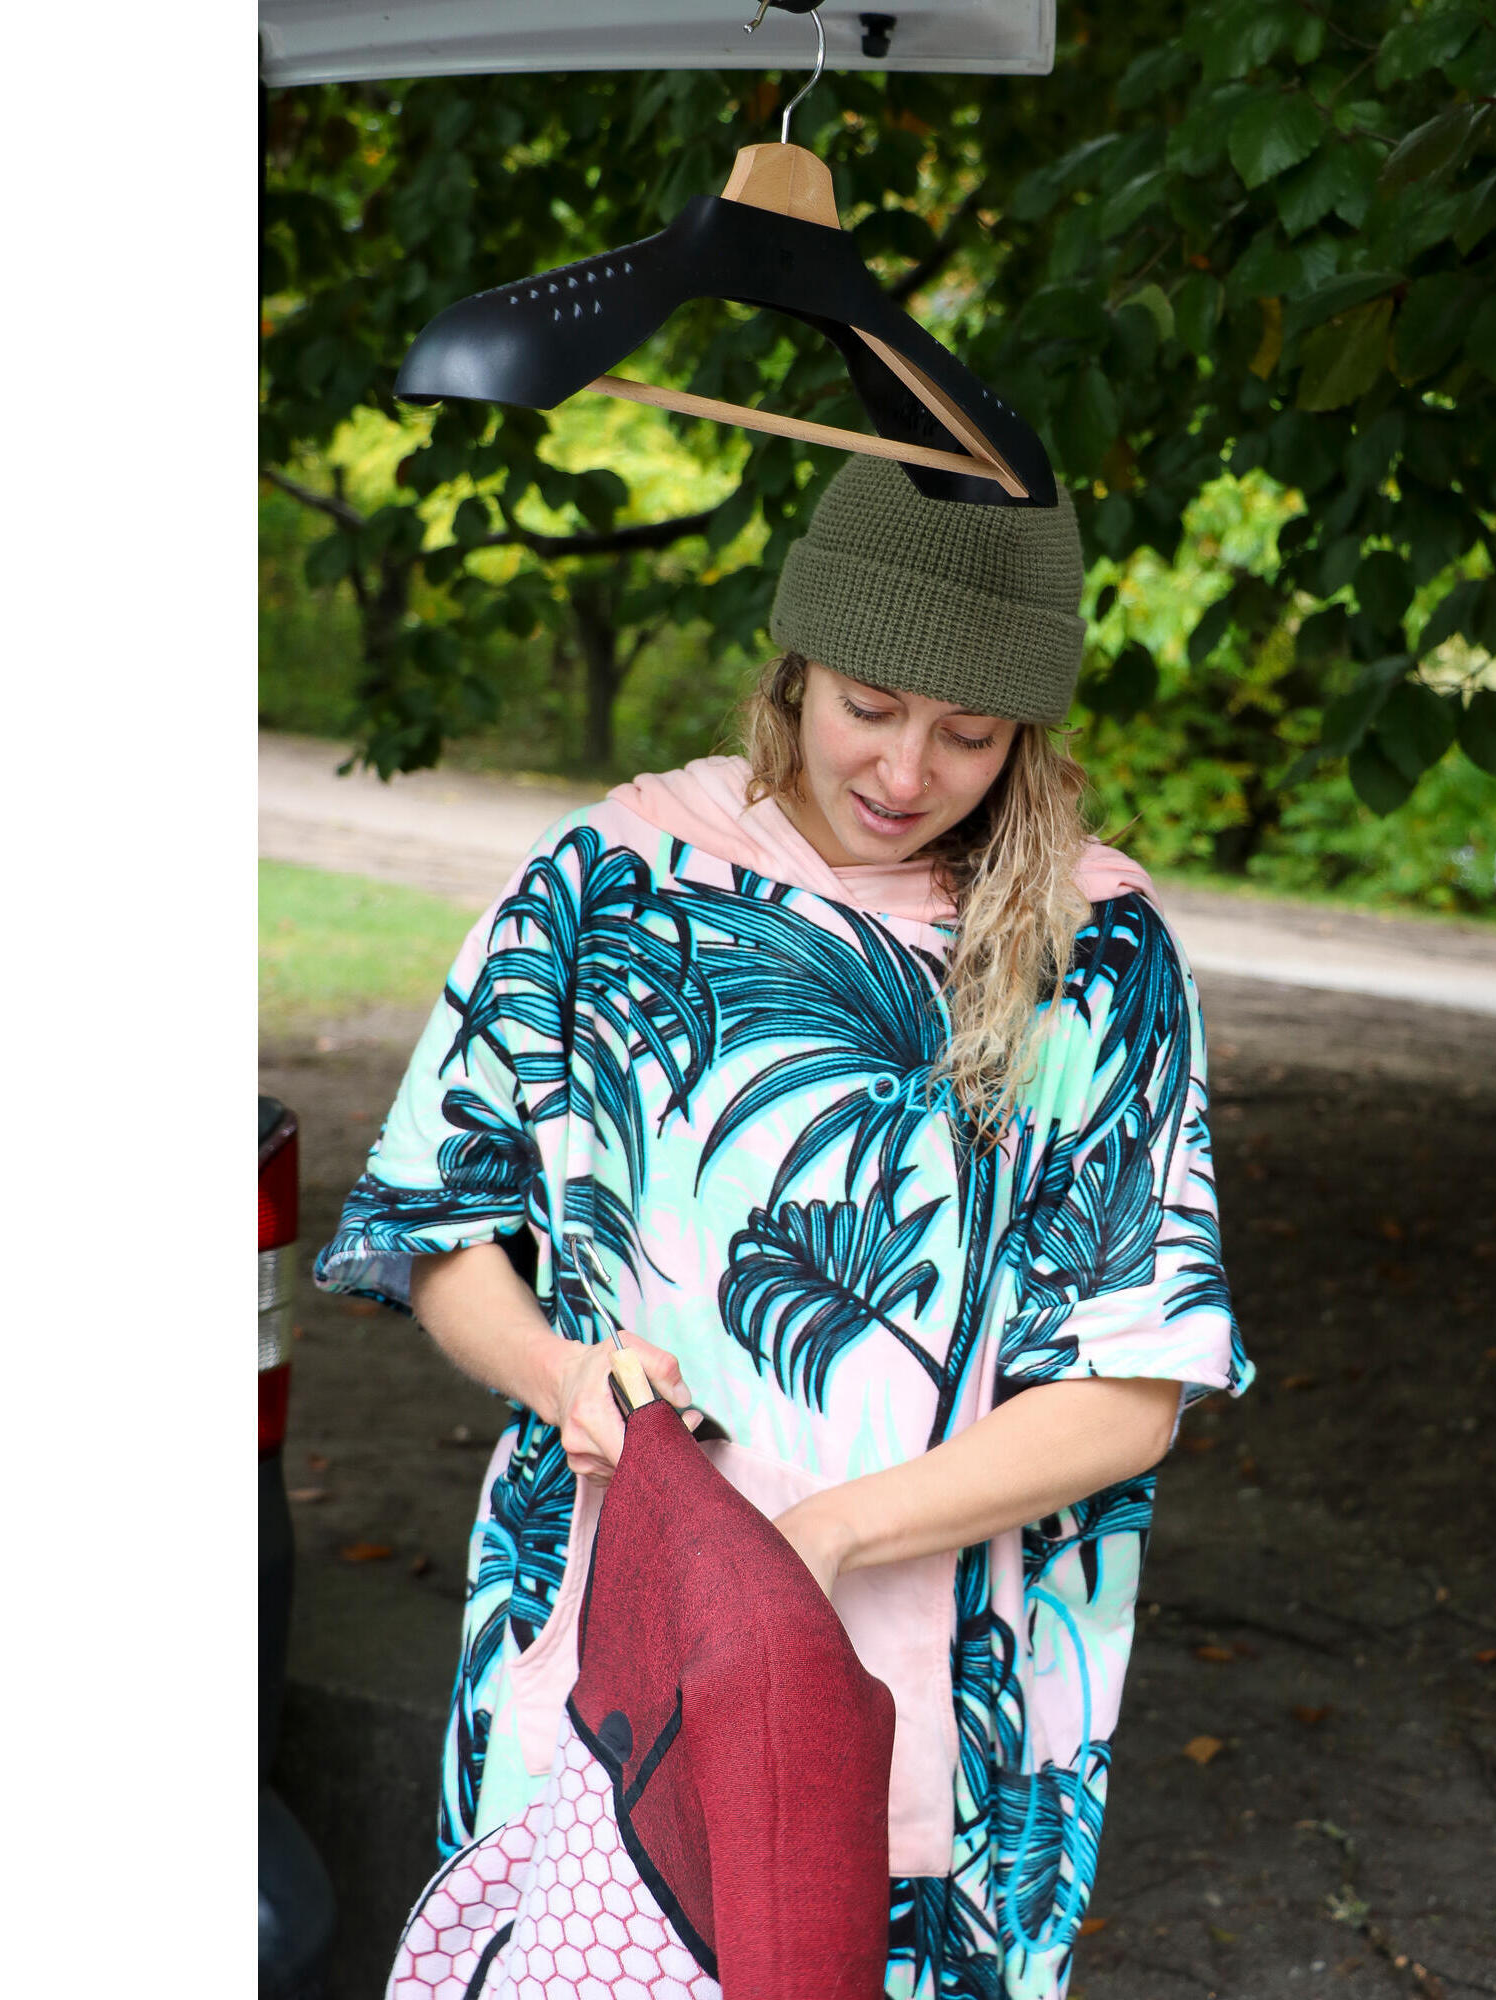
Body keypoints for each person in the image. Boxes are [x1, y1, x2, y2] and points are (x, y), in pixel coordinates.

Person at [313, 452, 1252, 1999]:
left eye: (969, 733)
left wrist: (807, 1551)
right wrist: (557, 1371)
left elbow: (1128, 1395)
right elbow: (440, 1221)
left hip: (928, 1659)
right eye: (868, 706)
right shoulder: (616, 875)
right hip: (602, 1618)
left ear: (1028, 729)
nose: (904, 769)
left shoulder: (1100, 957)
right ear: (796, 663)